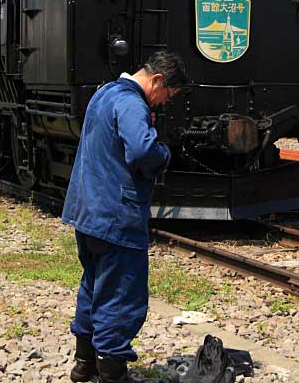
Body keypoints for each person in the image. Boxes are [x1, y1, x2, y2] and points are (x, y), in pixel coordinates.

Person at [61, 51, 188, 383]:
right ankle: (112, 372)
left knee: (93, 285)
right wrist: (164, 151)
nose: (163, 103)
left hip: (88, 210)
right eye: (167, 95)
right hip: (116, 214)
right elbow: (143, 151)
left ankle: (84, 365)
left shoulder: (104, 93)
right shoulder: (132, 104)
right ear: (157, 80)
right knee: (121, 294)